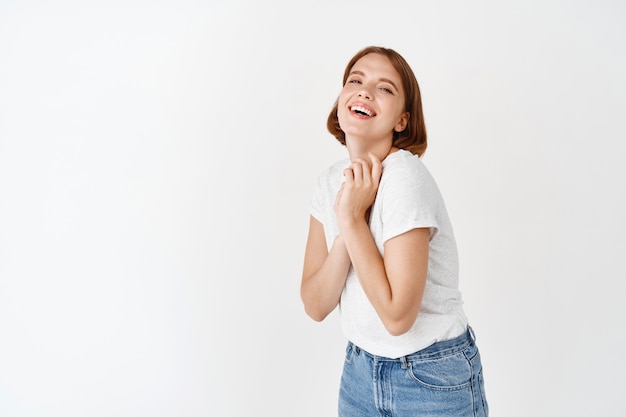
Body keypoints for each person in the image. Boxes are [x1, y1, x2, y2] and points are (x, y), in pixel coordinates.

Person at [300, 46, 489, 416]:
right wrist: (346, 218)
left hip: (430, 376)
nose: (365, 90)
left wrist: (354, 221)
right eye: (355, 80)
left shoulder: (404, 177)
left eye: (384, 88)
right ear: (340, 101)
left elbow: (398, 317)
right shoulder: (327, 184)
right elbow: (315, 304)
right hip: (359, 372)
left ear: (402, 120)